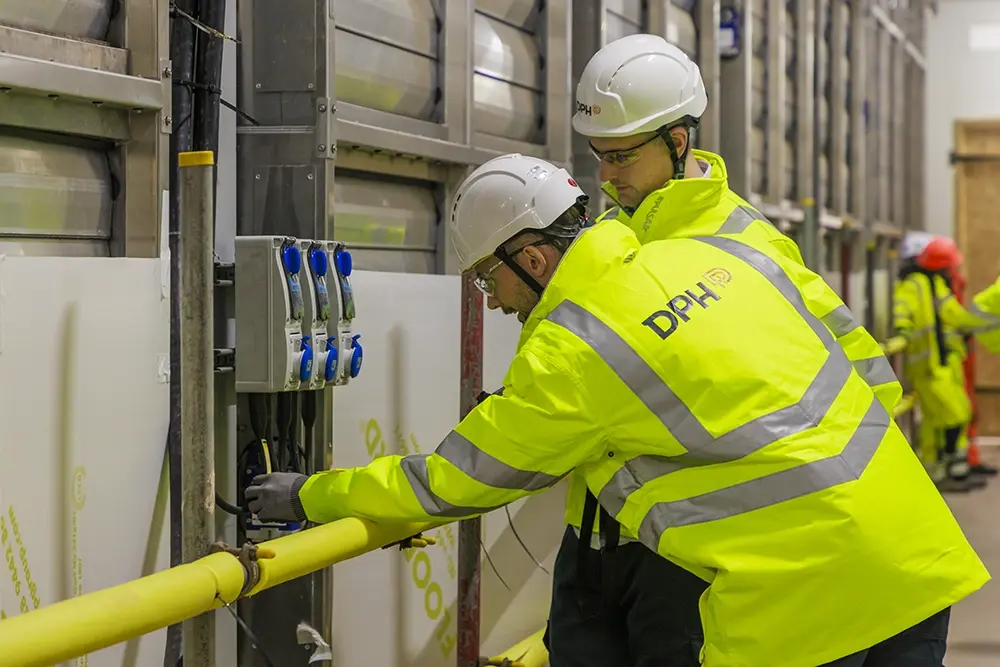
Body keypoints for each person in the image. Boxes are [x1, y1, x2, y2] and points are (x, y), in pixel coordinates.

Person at [247, 156, 990, 667]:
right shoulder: (703, 255)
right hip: (915, 562)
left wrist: (313, 493)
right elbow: (865, 365)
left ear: (532, 258)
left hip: (803, 605)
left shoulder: (575, 350)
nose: (494, 302)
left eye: (487, 280)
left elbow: (451, 480)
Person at [561, 33, 902, 662]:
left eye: (620, 158)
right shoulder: (614, 236)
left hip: (744, 553)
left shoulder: (752, 242)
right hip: (619, 541)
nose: (605, 177)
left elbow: (869, 373)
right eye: (598, 156)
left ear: (678, 141)